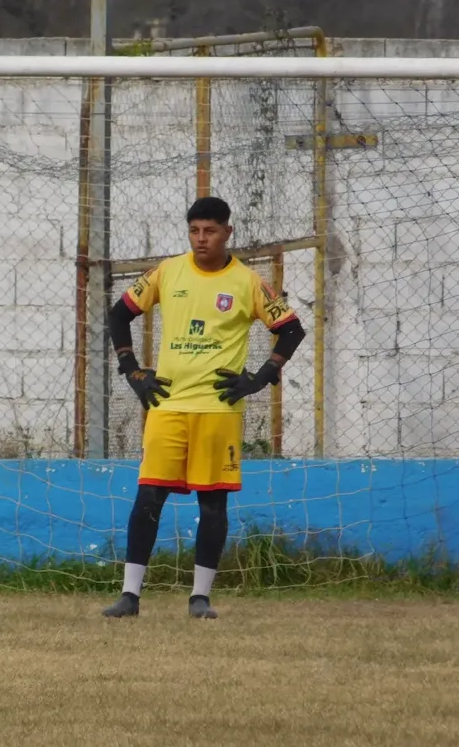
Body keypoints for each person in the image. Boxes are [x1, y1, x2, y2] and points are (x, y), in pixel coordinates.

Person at [101, 196, 306, 620]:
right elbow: (118, 315)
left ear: (227, 232)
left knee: (212, 504)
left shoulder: (247, 282)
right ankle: (130, 596)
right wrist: (132, 371)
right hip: (167, 406)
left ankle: (200, 598)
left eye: (210, 231)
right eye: (194, 231)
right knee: (148, 496)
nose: (201, 239)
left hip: (218, 410)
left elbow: (291, 330)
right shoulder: (167, 271)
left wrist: (260, 377)